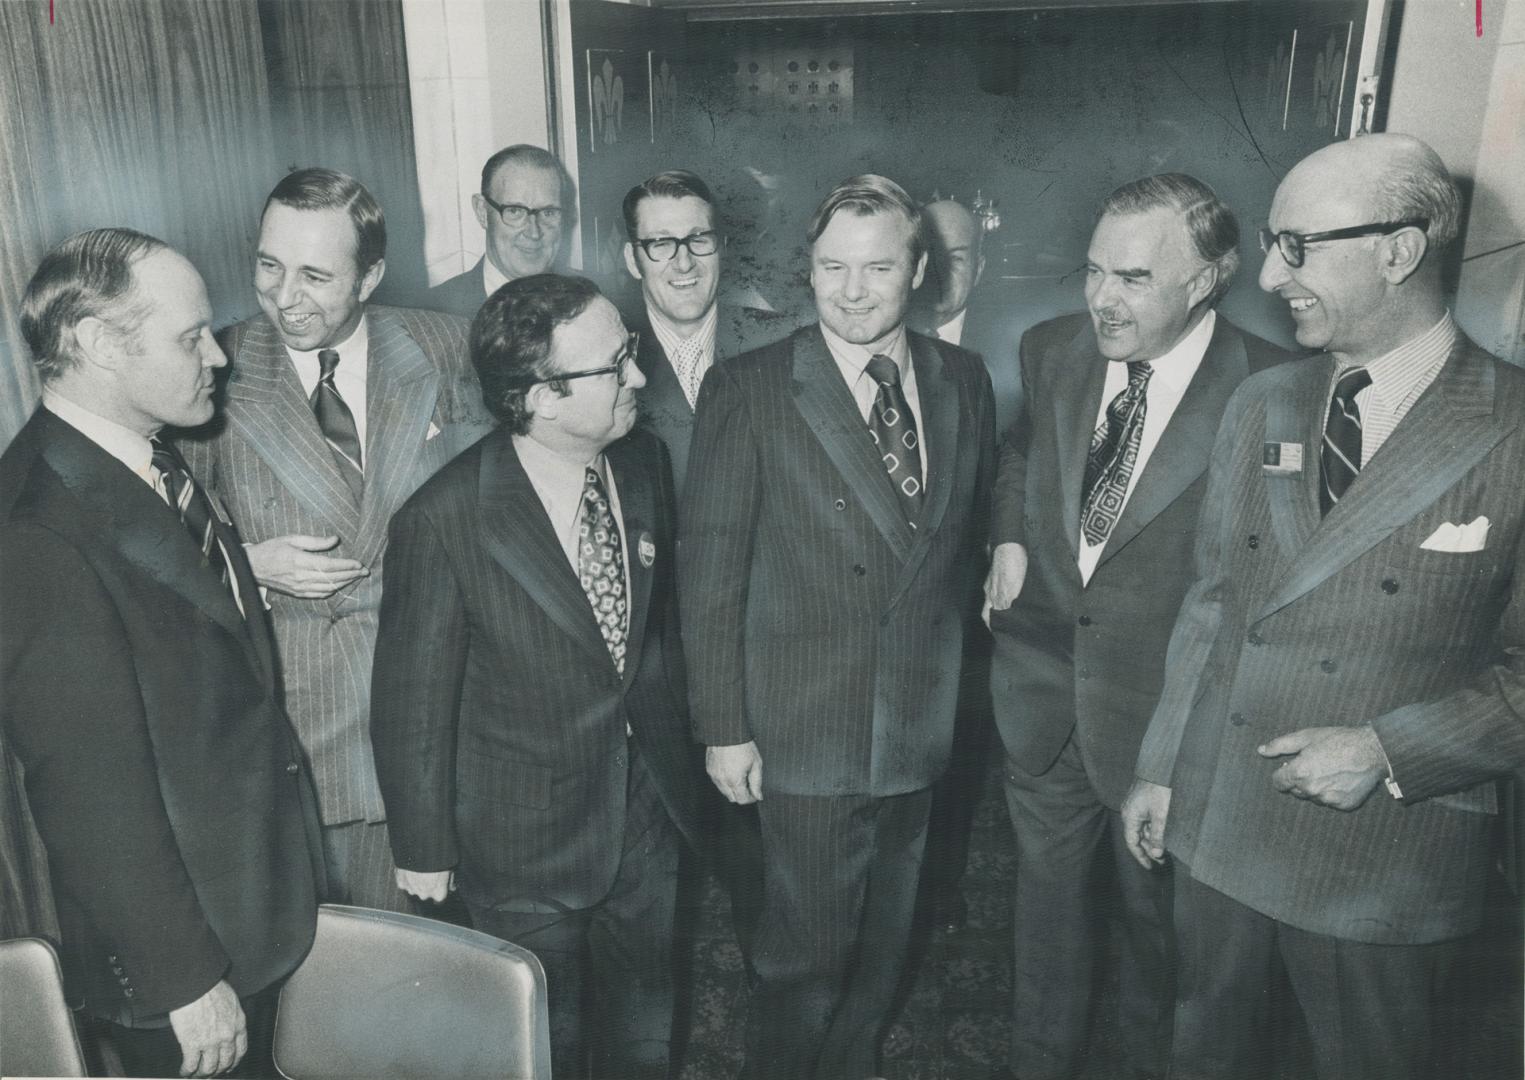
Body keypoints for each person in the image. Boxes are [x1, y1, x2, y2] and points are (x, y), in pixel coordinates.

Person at [1121, 134, 1525, 1080]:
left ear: (1397, 250)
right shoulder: (1263, 403)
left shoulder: (1509, 427)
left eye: (1297, 247)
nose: (1268, 274)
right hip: (1221, 827)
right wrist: (1160, 766)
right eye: (1271, 243)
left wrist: (1390, 751)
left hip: (1383, 852)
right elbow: (1214, 605)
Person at [680, 174, 996, 1080]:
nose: (852, 291)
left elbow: (969, 517)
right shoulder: (750, 389)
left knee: (881, 956)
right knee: (801, 965)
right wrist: (724, 728)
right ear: (806, 271)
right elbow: (709, 576)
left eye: (878, 266)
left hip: (917, 729)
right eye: (831, 267)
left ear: (919, 271)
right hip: (801, 730)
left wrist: (1008, 539)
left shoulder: (963, 380)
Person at [984, 173, 1289, 1080]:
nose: (1100, 301)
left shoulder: (1272, 390)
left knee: (1165, 954)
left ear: (1204, 281)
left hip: (1169, 732)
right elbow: (1018, 451)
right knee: (1044, 937)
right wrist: (1006, 531)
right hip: (1040, 698)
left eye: (1131, 279)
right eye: (1091, 273)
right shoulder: (1050, 350)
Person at [0, 228, 321, 1078]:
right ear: (103, 344)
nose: (217, 355)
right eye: (190, 338)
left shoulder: (145, 459)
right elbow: (86, 789)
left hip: (247, 912)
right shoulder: (38, 528)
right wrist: (182, 979)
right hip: (185, 961)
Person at [372, 273, 700, 1080]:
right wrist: (423, 846)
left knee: (644, 1032)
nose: (637, 377)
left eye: (629, 354)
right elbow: (412, 698)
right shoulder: (444, 519)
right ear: (541, 396)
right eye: (614, 365)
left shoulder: (644, 463)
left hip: (646, 817)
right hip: (521, 842)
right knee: (543, 1046)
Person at [180, 167, 493, 912]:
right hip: (316, 746)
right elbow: (153, 548)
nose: (285, 297)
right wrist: (246, 565)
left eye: (316, 275)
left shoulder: (450, 347)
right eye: (268, 265)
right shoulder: (210, 372)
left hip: (461, 726)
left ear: (371, 276)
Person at [621, 169, 790, 493]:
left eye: (699, 240)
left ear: (721, 248)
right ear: (633, 260)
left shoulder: (778, 340)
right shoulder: (612, 360)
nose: (684, 262)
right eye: (661, 243)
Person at [428, 144, 573, 318]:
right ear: (482, 211)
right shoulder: (433, 313)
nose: (534, 233)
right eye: (515, 211)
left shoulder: (595, 304)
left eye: (548, 213)